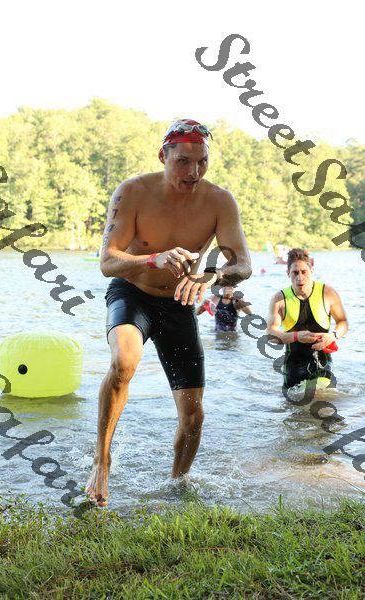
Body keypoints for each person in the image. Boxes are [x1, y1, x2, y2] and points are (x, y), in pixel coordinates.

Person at [86, 118, 252, 506]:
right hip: (133, 292)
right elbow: (108, 262)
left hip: (179, 304)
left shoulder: (219, 201)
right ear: (164, 156)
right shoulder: (133, 192)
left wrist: (212, 274)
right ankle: (101, 461)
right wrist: (153, 258)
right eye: (183, 161)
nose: (194, 172)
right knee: (125, 360)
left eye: (202, 161)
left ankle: (177, 487)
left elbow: (242, 263)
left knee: (193, 418)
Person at [267, 248, 348, 389]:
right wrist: (297, 336)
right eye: (295, 273)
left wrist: (333, 336)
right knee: (294, 401)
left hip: (322, 361)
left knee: (324, 398)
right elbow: (270, 335)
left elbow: (343, 322)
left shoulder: (328, 293)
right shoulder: (279, 299)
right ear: (288, 273)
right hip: (294, 365)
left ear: (311, 270)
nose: (300, 277)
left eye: (304, 272)